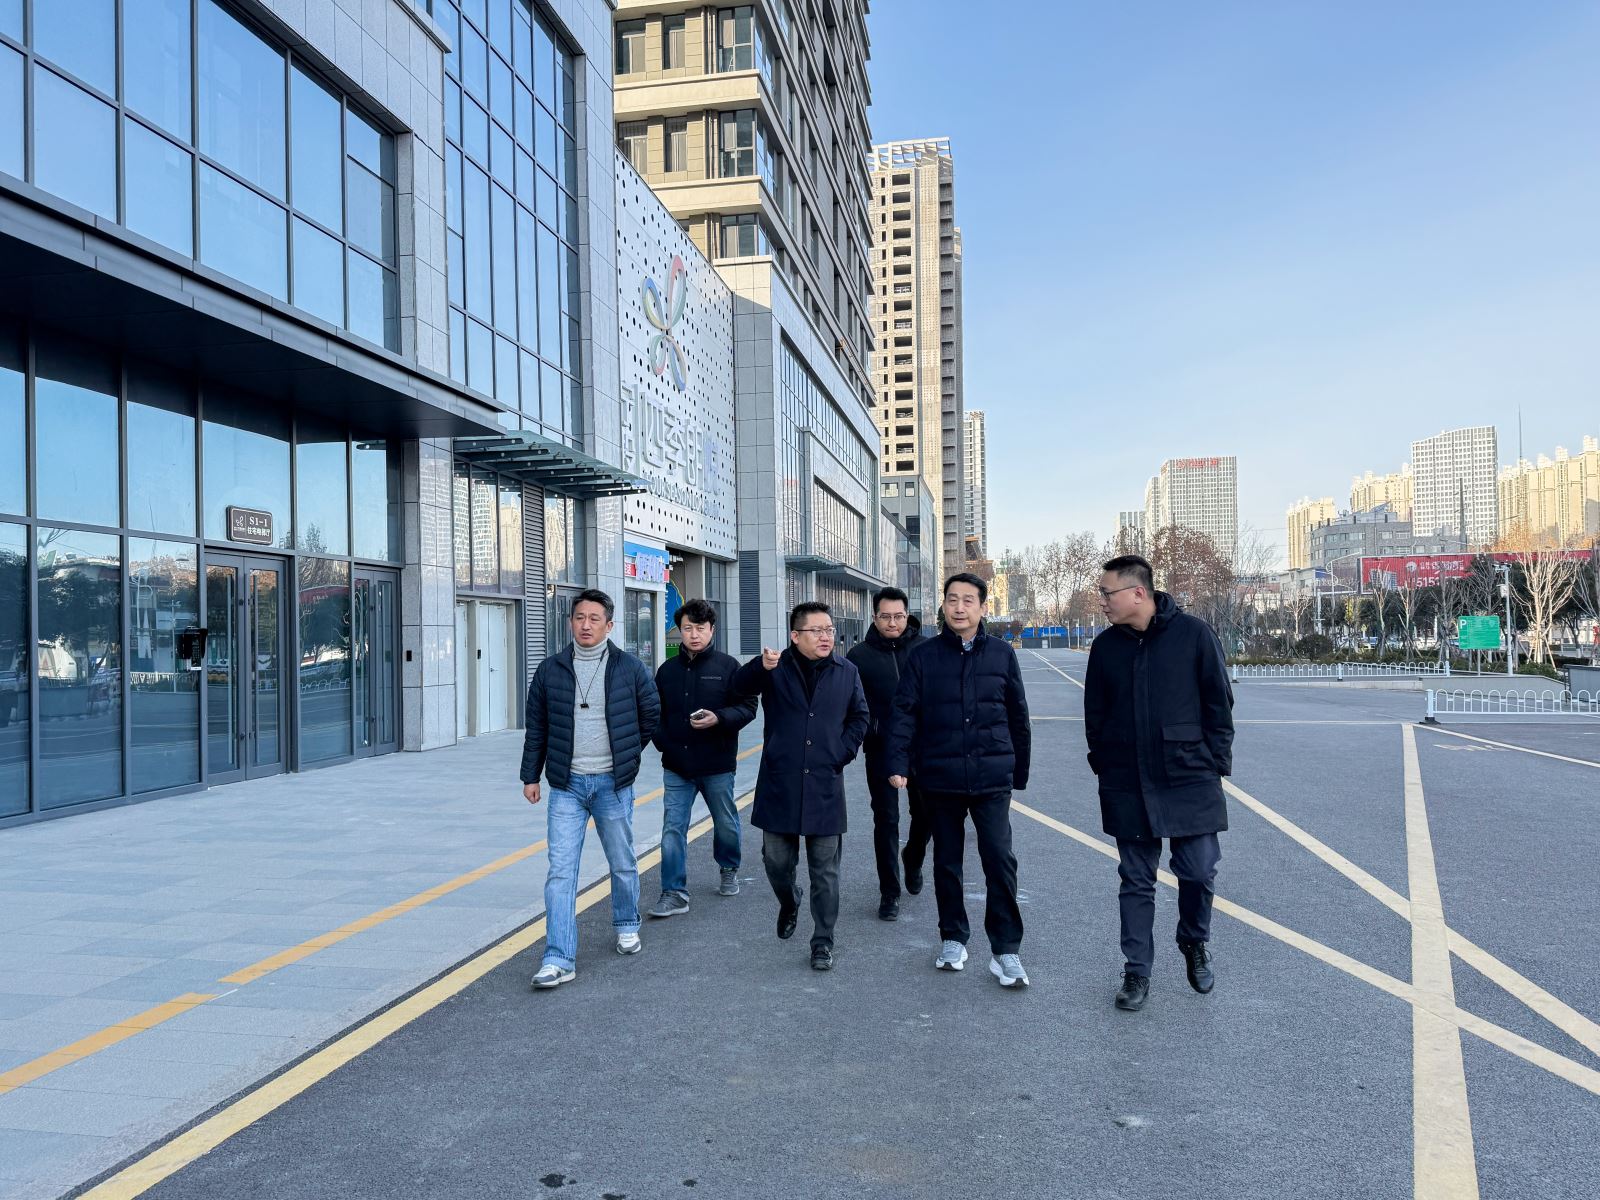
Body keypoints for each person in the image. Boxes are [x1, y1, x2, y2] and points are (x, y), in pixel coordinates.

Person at [1083, 554, 1234, 1012]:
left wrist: (1214, 762)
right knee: (1136, 878)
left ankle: (1193, 941)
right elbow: (1095, 713)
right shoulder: (1106, 647)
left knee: (1199, 869)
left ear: (1138, 593)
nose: (1102, 601)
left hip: (1189, 775)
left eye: (1107, 592)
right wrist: (1104, 762)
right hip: (1127, 779)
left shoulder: (1194, 635)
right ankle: (1137, 972)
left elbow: (1219, 703)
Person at [886, 573, 1033, 989]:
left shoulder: (1002, 654)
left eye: (969, 600)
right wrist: (898, 762)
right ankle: (953, 938)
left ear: (983, 607)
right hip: (940, 776)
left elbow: (1017, 715)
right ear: (943, 606)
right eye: (952, 599)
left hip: (991, 778)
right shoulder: (924, 656)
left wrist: (1019, 771)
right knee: (947, 862)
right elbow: (904, 713)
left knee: (999, 860)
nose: (959, 607)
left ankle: (1006, 950)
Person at [520, 589, 660, 989]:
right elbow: (537, 726)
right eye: (579, 617)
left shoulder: (630, 668)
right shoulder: (550, 670)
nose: (586, 625)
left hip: (612, 783)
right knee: (561, 872)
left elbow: (650, 715)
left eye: (594, 619)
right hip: (567, 785)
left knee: (622, 861)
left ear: (609, 625)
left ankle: (627, 922)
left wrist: (628, 757)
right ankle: (559, 957)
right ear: (570, 622)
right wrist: (531, 776)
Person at [732, 601, 869, 971]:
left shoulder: (846, 671)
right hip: (781, 783)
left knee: (825, 872)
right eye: (817, 630)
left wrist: (841, 753)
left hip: (825, 784)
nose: (826, 637)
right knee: (776, 861)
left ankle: (823, 941)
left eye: (829, 630)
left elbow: (860, 716)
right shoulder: (775, 667)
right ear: (795, 636)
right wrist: (759, 666)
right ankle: (789, 900)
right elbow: (736, 688)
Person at [648, 599, 758, 917]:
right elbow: (654, 711)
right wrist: (663, 743)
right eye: (687, 628)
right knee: (672, 828)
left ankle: (728, 868)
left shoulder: (728, 667)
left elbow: (748, 707)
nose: (694, 634)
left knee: (725, 823)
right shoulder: (667, 671)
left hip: (717, 764)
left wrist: (718, 718)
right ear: (679, 631)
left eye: (700, 628)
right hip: (677, 766)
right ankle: (673, 892)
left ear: (712, 630)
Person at [846, 586, 931, 920]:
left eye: (898, 616)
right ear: (874, 617)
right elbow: (852, 704)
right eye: (885, 617)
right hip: (880, 749)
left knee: (925, 815)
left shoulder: (926, 649)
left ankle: (913, 858)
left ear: (907, 615)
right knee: (886, 820)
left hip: (921, 748)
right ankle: (889, 892)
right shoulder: (858, 656)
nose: (892, 623)